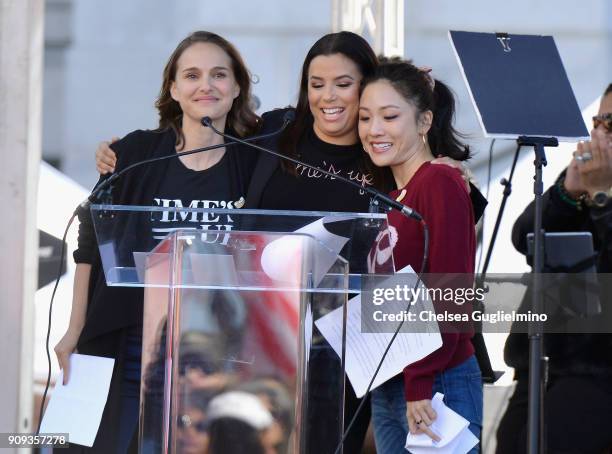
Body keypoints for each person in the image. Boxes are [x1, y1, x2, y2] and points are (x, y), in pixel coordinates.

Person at [93, 31, 488, 452]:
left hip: (359, 351)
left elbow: (443, 232)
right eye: (316, 84)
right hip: (269, 340)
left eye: (344, 83)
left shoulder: (382, 151)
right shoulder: (277, 131)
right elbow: (204, 139)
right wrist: (128, 152)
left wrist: (454, 169)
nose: (328, 97)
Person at [54, 31, 259, 453]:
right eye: (192, 75)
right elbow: (92, 239)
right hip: (131, 340)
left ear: (237, 87)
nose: (207, 85)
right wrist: (74, 328)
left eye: (219, 74)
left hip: (216, 356)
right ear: (173, 88)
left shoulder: (257, 162)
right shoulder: (135, 153)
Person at [358, 58, 483, 453]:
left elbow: (450, 290)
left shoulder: (439, 181)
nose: (374, 130)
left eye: (389, 116)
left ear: (425, 121)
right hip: (394, 380)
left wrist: (421, 382)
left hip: (435, 380)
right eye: (364, 118)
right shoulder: (396, 197)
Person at [496, 84, 612, 454]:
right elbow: (525, 237)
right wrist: (568, 191)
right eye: (597, 122)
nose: (597, 135)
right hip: (540, 359)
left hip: (596, 371)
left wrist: (600, 196)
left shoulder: (601, 184)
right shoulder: (590, 174)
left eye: (610, 126)